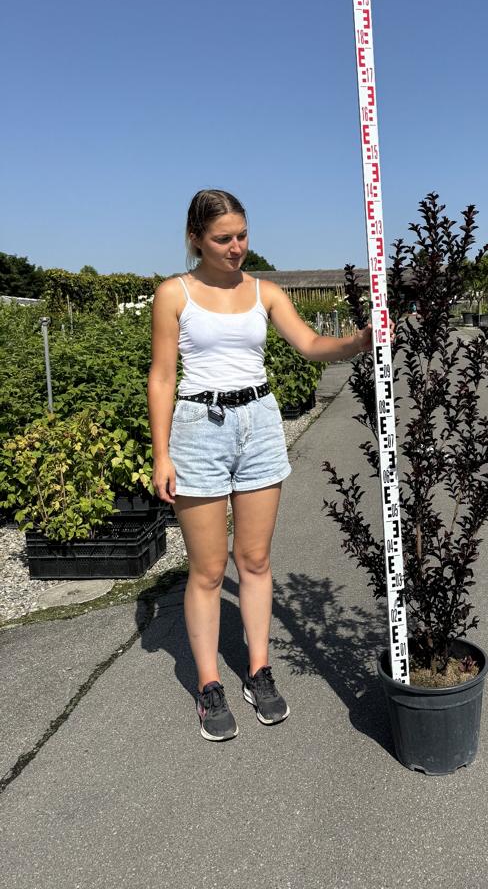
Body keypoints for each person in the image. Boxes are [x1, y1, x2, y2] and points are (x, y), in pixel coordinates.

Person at [148, 189, 375, 741]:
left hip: (259, 425)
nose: (236, 247)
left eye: (242, 235)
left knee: (253, 559)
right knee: (205, 571)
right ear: (196, 238)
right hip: (200, 430)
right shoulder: (173, 294)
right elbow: (161, 376)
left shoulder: (263, 292)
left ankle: (258, 671)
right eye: (223, 238)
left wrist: (360, 341)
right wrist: (161, 453)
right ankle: (208, 685)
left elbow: (311, 343)